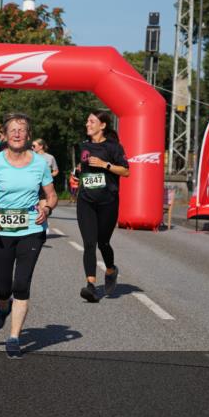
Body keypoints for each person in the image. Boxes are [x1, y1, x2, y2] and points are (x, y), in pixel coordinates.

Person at [0, 113, 58, 359]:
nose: (16, 133)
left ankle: (14, 337)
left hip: (31, 231)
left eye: (21, 129)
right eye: (12, 129)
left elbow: (52, 194)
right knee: (3, 288)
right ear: (5, 134)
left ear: (28, 135)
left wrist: (46, 208)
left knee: (21, 284)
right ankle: (3, 309)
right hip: (1, 231)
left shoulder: (39, 163)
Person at [75, 111, 130, 302]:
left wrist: (104, 165)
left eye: (92, 121)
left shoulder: (113, 147)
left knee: (103, 242)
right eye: (87, 120)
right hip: (86, 200)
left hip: (108, 202)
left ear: (103, 125)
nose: (87, 124)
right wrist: (76, 173)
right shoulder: (83, 146)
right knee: (89, 243)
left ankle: (111, 269)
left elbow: (125, 171)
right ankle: (90, 285)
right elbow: (81, 168)